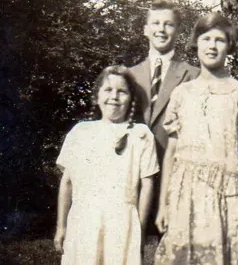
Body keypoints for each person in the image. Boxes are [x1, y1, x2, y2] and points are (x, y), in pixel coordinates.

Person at [154, 13, 238, 265]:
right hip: (186, 200)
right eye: (206, 39)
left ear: (229, 46)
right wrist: (163, 204)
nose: (212, 46)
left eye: (220, 40)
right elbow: (171, 153)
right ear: (196, 44)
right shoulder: (181, 93)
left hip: (229, 199)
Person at [53, 66, 159, 265]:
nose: (114, 97)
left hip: (123, 224)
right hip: (84, 219)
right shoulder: (81, 132)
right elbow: (67, 183)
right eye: (108, 90)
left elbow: (147, 186)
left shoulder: (141, 135)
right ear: (97, 96)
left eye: (122, 91)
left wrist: (141, 230)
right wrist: (61, 227)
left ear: (131, 99)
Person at [129, 0, 200, 163]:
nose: (161, 29)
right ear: (146, 29)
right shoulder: (130, 75)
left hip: (175, 165)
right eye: (156, 23)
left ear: (178, 31)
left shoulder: (193, 75)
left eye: (168, 24)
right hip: (135, 165)